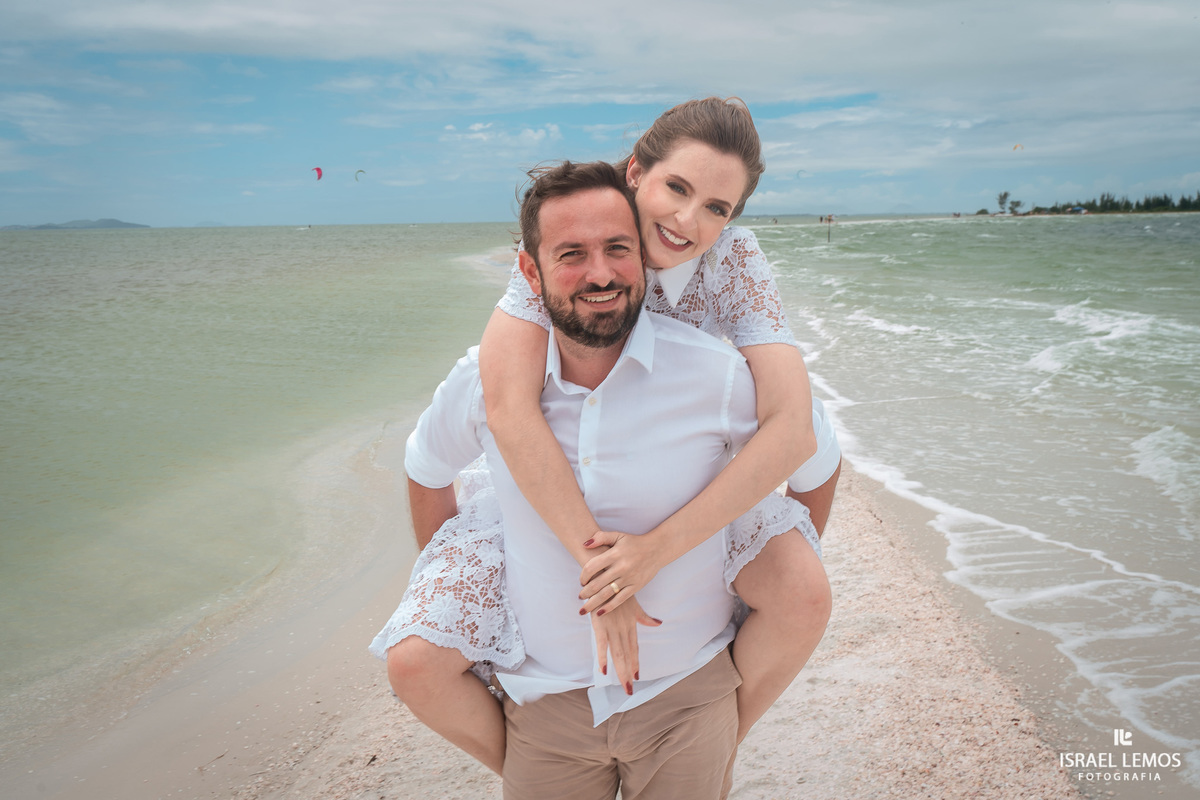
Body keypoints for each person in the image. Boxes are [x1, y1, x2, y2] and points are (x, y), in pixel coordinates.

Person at [371, 97, 839, 774]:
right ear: (636, 173)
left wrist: (685, 557)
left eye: (717, 207)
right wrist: (597, 576)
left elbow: (797, 434)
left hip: (684, 457)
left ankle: (711, 741)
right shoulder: (570, 245)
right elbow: (507, 410)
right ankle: (543, 762)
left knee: (802, 591)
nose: (688, 220)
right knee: (418, 659)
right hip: (553, 478)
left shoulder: (733, 262)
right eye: (676, 188)